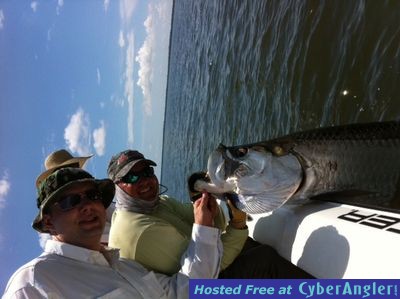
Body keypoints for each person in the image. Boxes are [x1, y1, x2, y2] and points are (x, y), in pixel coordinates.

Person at [2, 167, 222, 298]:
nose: (87, 205)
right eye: (70, 201)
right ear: (49, 223)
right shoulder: (33, 283)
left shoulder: (125, 266)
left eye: (92, 195)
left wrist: (203, 227)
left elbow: (181, 291)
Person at [107, 149, 314, 278]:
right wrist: (238, 225)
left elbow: (210, 219)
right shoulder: (138, 232)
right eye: (132, 177)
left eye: (147, 172)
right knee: (264, 259)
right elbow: (206, 272)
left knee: (248, 245)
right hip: (197, 289)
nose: (144, 180)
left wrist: (214, 208)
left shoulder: (157, 202)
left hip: (202, 266)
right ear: (117, 186)